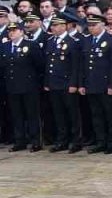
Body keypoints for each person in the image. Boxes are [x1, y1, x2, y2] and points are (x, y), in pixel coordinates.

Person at [80, 14, 112, 154]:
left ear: (102, 25)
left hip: (105, 84)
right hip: (91, 84)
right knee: (96, 115)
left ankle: (111, 142)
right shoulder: (86, 41)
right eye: (89, 25)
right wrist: (82, 84)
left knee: (109, 115)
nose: (91, 28)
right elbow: (83, 65)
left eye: (94, 25)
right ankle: (100, 141)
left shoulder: (111, 41)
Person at [44, 13, 83, 153]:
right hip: (54, 83)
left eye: (55, 25)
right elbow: (49, 64)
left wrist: (74, 84)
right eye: (52, 25)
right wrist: (47, 82)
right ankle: (62, 140)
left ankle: (76, 141)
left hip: (67, 84)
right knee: (58, 114)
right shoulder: (50, 41)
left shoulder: (72, 42)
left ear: (63, 26)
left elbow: (75, 66)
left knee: (72, 114)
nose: (53, 28)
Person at [4, 22, 45, 151]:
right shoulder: (4, 46)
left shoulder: (31, 45)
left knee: (32, 114)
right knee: (17, 115)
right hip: (12, 86)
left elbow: (40, 65)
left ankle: (35, 141)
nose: (11, 32)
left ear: (21, 32)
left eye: (15, 30)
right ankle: (19, 141)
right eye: (10, 30)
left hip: (29, 86)